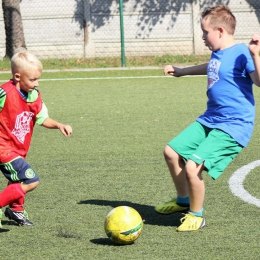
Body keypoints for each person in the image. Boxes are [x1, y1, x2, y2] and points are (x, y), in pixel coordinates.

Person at [155, 5, 260, 231]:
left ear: (220, 31)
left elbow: (259, 81)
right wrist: (183, 71)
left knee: (193, 167)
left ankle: (197, 215)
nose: (202, 37)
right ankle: (183, 201)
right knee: (171, 152)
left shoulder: (243, 52)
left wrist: (256, 55)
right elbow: (212, 66)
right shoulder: (218, 52)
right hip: (211, 119)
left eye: (205, 32)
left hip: (233, 126)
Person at [0, 49, 72, 227]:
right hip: (3, 148)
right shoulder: (4, 93)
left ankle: (16, 210)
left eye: (38, 78)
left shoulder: (34, 96)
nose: (37, 83)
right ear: (17, 77)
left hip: (18, 149)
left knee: (16, 179)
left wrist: (59, 125)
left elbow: (42, 118)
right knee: (31, 180)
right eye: (32, 79)